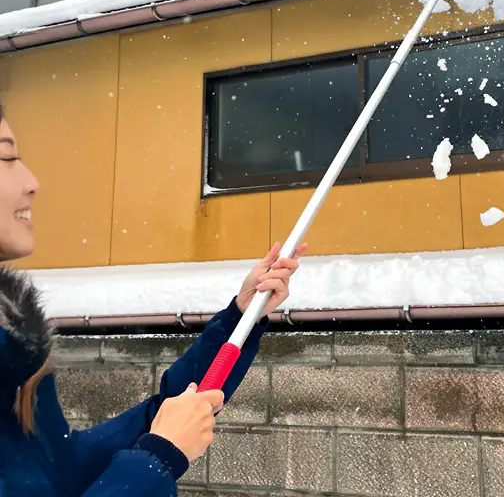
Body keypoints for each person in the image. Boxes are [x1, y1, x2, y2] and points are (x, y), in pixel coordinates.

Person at [0, 100, 308, 496]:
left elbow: (70, 467)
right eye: (7, 157)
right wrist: (157, 459)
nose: (32, 181)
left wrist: (240, 319)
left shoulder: (16, 360)